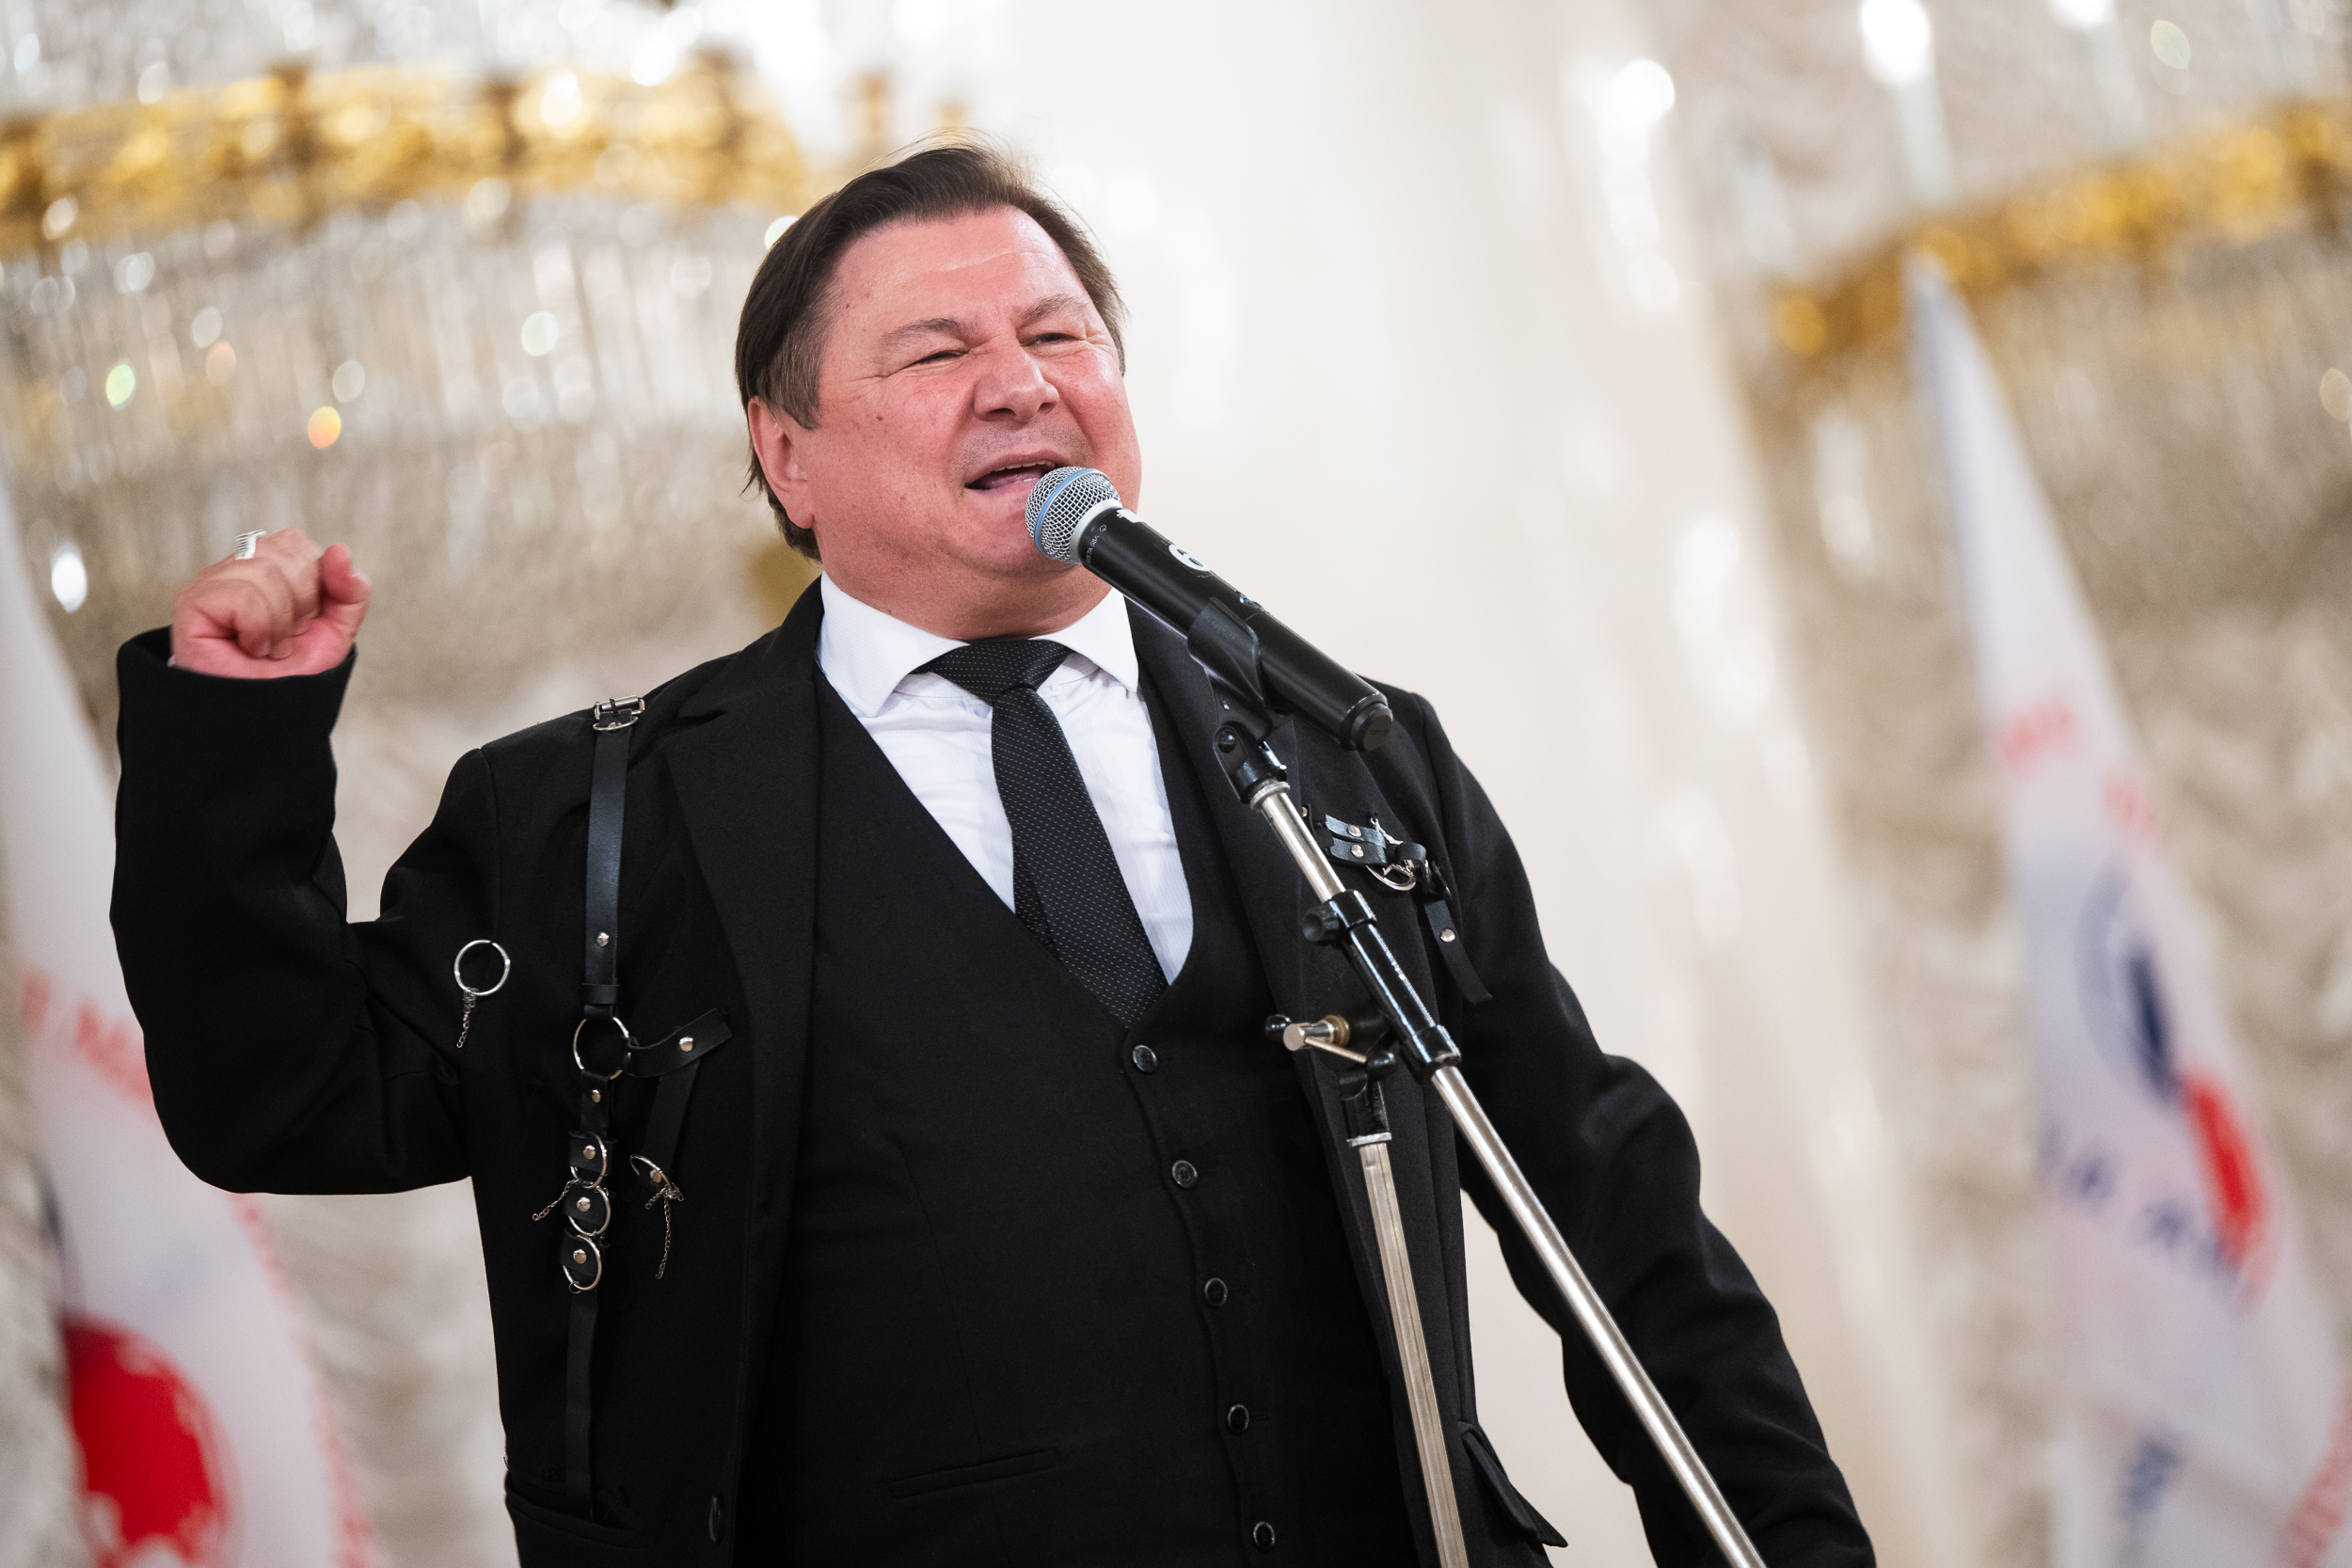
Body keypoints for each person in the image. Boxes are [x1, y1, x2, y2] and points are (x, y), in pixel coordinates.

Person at [113, 143, 1871, 1567]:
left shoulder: (1344, 751)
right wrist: (230, 750)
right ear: (787, 454)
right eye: (937, 352)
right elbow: (287, 1096)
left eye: (1059, 336)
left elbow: (1613, 1215)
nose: (1021, 384)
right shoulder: (601, 819)